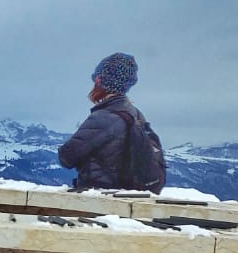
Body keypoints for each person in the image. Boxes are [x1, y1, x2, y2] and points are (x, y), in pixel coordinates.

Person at [58, 52, 163, 191]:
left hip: (99, 198)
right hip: (126, 196)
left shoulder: (104, 117)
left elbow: (66, 157)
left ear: (99, 81)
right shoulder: (136, 114)